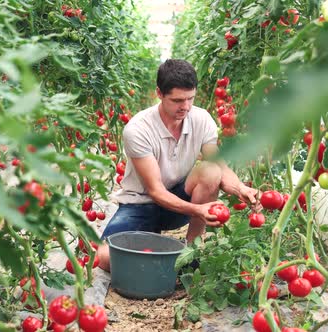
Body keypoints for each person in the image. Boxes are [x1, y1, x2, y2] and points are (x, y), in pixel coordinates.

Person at [97, 59, 259, 272]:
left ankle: (192, 253)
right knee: (104, 258)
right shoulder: (138, 129)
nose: (186, 107)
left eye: (190, 98)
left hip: (177, 203)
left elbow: (221, 166)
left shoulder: (201, 120)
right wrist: (197, 209)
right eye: (177, 100)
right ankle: (153, 245)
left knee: (210, 170)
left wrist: (241, 189)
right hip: (140, 205)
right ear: (159, 93)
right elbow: (155, 191)